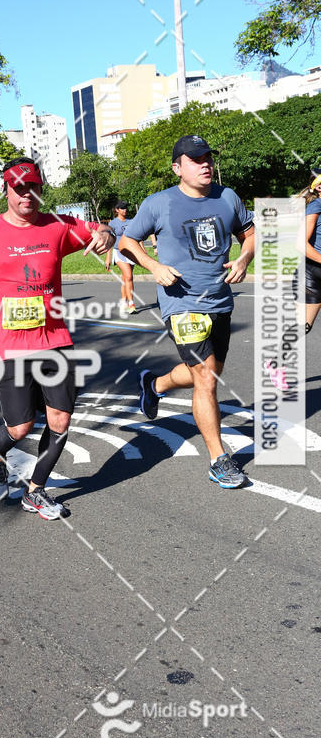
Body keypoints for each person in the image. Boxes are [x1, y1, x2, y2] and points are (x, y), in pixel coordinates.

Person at [0, 156, 115, 520]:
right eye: (19, 188)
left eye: (34, 187)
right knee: (21, 427)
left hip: (54, 339)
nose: (27, 194)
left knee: (60, 419)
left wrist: (105, 234)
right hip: (9, 346)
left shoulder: (58, 227)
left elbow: (99, 229)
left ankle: (36, 490)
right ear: (6, 190)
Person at [121, 134, 255, 490]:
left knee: (209, 372)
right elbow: (127, 241)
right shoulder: (159, 203)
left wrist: (244, 258)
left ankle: (155, 384)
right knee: (207, 379)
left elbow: (251, 234)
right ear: (177, 167)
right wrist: (153, 266)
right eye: (196, 159)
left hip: (220, 301)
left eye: (208, 157)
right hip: (181, 303)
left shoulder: (228, 197)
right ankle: (218, 459)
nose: (205, 164)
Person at [297, 168, 321, 335]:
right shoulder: (316, 206)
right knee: (301, 326)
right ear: (318, 187)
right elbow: (300, 244)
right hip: (312, 272)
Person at [105, 200, 138, 314]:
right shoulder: (112, 224)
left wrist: (142, 250)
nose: (125, 210)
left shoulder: (132, 221)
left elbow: (137, 237)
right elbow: (109, 242)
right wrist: (108, 258)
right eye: (122, 208)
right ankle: (131, 304)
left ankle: (124, 301)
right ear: (117, 210)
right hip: (118, 252)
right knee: (128, 276)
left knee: (126, 278)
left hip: (131, 252)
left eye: (125, 208)